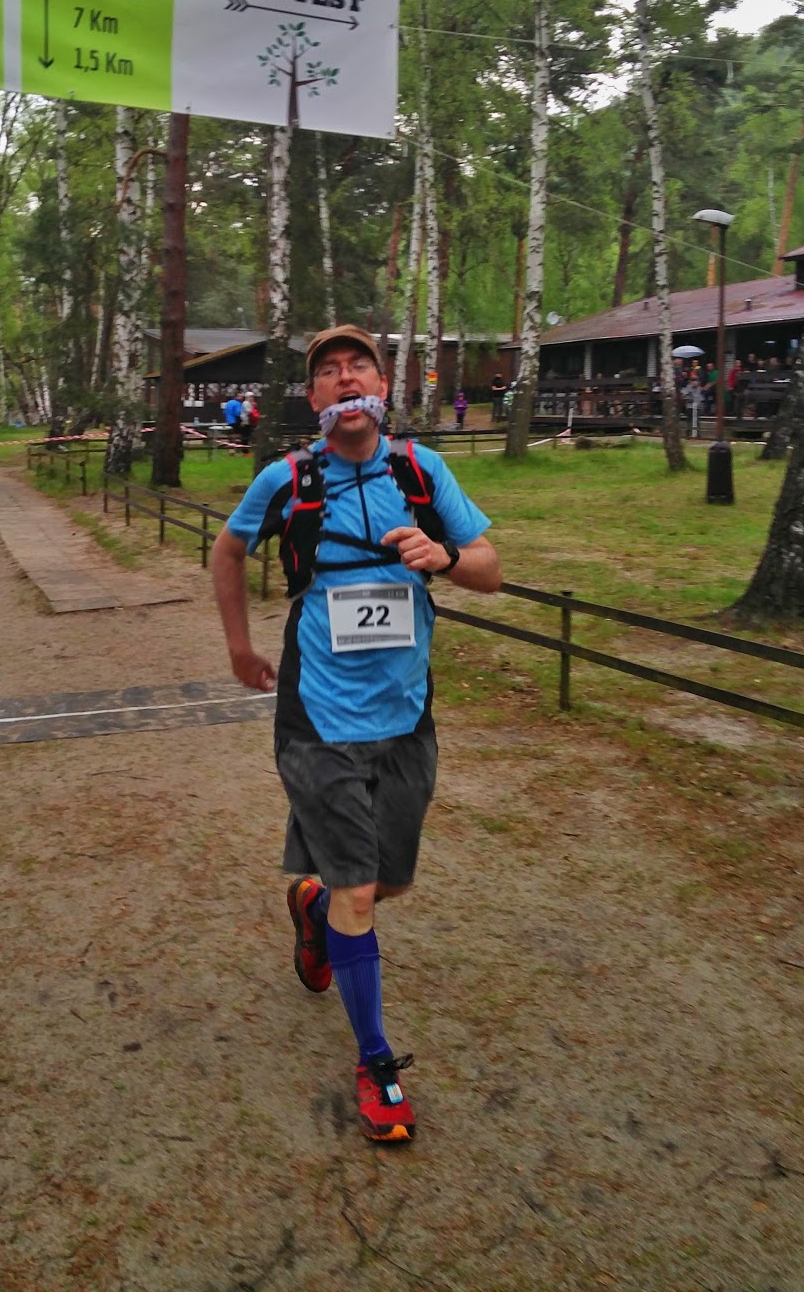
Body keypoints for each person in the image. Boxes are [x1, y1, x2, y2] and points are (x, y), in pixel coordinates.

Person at [211, 324, 501, 1143]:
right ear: (313, 397)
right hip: (318, 716)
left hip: (405, 713)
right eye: (329, 372)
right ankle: (376, 1065)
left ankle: (312, 911)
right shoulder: (287, 479)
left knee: (387, 885)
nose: (345, 380)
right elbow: (228, 553)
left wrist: (444, 557)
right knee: (361, 890)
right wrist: (239, 647)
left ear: (382, 386)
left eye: (358, 367)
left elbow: (491, 568)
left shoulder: (421, 471)